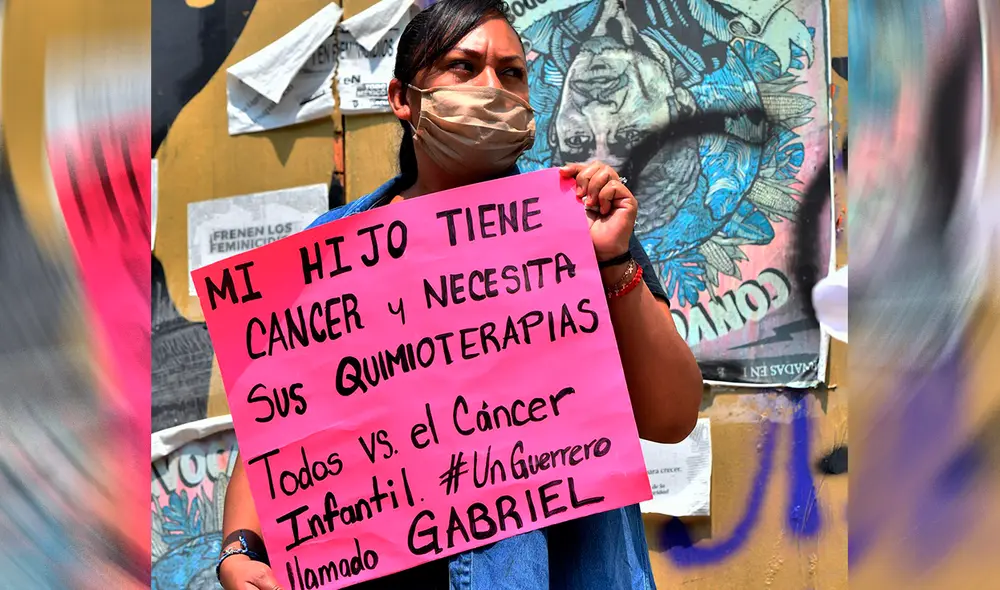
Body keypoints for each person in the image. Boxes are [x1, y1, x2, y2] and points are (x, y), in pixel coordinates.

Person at [217, 2, 702, 589]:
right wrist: (240, 549)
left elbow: (671, 416)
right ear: (403, 98)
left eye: (512, 73)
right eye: (463, 67)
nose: (492, 88)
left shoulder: (581, 223)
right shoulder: (328, 252)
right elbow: (276, 424)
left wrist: (611, 261)